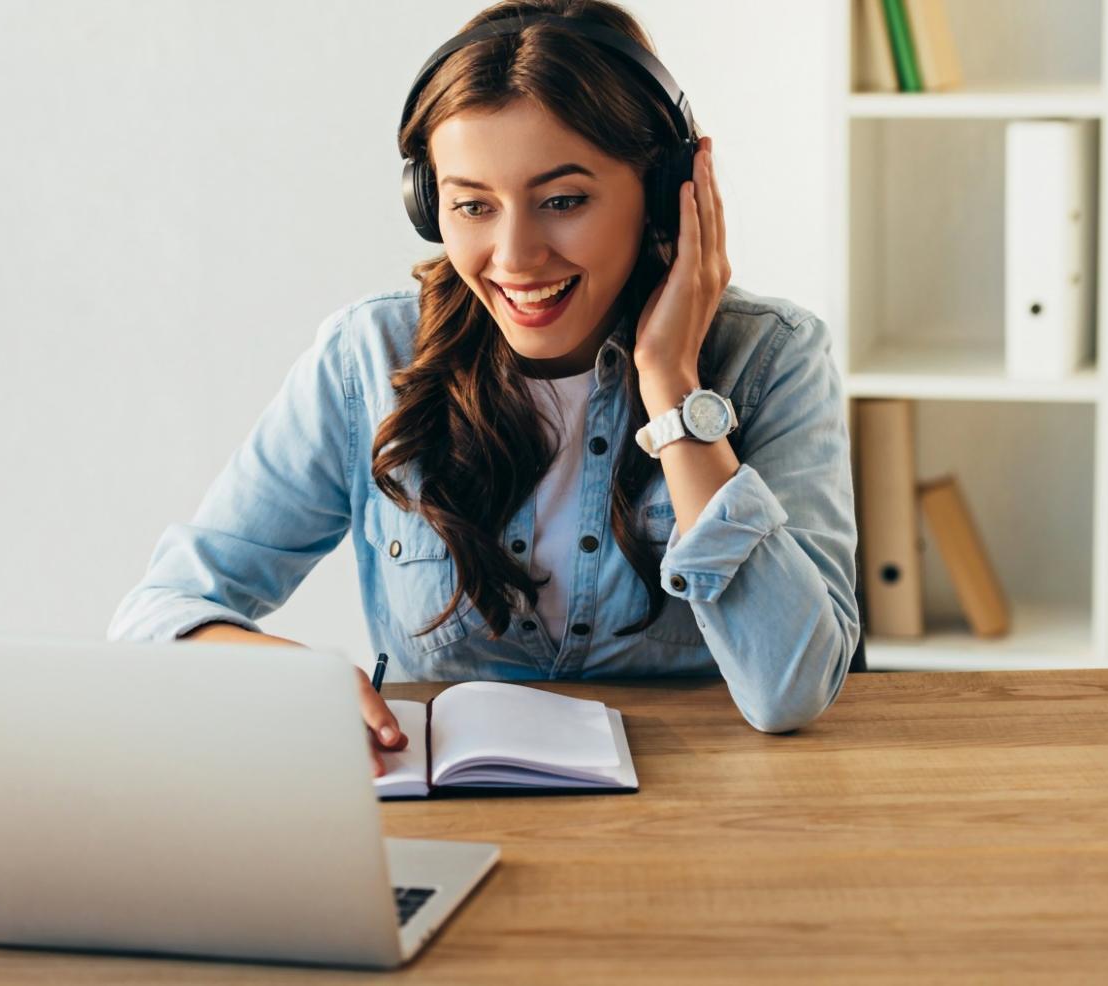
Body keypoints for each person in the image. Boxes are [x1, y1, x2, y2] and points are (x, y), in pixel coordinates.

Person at [107, 0, 859, 774]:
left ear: (667, 192)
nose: (515, 256)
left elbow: (790, 692)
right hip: (460, 815)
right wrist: (291, 681)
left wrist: (672, 388)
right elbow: (158, 613)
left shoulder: (771, 358)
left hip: (712, 818)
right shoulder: (366, 358)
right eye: (472, 205)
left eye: (563, 201)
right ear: (429, 205)